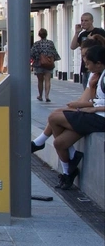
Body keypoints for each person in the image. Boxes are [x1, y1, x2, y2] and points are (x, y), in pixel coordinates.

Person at [44, 45, 105, 190]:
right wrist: (90, 90)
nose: (86, 67)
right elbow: (92, 97)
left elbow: (97, 103)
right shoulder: (96, 75)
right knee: (59, 143)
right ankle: (70, 169)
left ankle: (69, 164)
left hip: (99, 118)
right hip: (93, 114)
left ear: (99, 63)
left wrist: (93, 108)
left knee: (54, 117)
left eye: (88, 63)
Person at [70, 12, 105, 85]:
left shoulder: (99, 31)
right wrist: (77, 33)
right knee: (87, 89)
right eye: (82, 20)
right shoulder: (82, 34)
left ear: (92, 21)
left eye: (86, 21)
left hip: (96, 65)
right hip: (85, 66)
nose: (83, 23)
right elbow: (73, 46)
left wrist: (92, 40)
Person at [30, 28, 61, 102]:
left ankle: (40, 96)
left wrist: (35, 59)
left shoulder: (37, 43)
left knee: (40, 81)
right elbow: (54, 52)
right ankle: (47, 96)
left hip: (39, 64)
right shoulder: (50, 43)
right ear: (46, 34)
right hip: (48, 64)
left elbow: (32, 53)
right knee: (48, 80)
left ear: (39, 35)